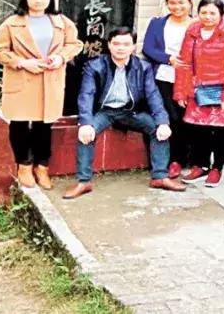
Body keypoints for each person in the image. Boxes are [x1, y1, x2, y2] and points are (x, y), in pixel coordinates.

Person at [63, 27, 185, 199]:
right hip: (104, 111)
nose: (121, 48)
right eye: (116, 43)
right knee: (86, 133)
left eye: (126, 44)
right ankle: (84, 181)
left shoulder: (143, 67)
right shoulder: (95, 65)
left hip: (130, 111)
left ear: (133, 47)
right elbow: (86, 94)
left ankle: (159, 176)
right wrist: (85, 122)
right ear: (109, 45)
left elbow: (153, 95)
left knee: (157, 129)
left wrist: (163, 121)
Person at [0, 0, 82, 190]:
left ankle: (42, 166)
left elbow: (75, 44)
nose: (38, 1)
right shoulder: (12, 23)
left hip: (50, 80)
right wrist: (22, 62)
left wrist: (60, 58)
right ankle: (23, 164)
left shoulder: (61, 21)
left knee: (44, 125)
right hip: (22, 78)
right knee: (20, 123)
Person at [174, 0, 224, 187]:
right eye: (204, 12)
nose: (208, 17)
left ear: (221, 15)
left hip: (222, 90)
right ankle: (200, 165)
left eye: (213, 13)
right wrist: (181, 92)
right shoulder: (193, 32)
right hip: (196, 89)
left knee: (220, 131)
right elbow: (184, 62)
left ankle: (216, 168)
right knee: (197, 130)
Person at [141, 0, 196, 179]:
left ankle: (187, 158)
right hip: (164, 77)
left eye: (181, 2)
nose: (177, 7)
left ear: (190, 3)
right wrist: (168, 58)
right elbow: (148, 48)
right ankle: (171, 160)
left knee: (187, 119)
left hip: (192, 78)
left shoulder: (198, 24)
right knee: (169, 118)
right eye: (172, 3)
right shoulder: (158, 24)